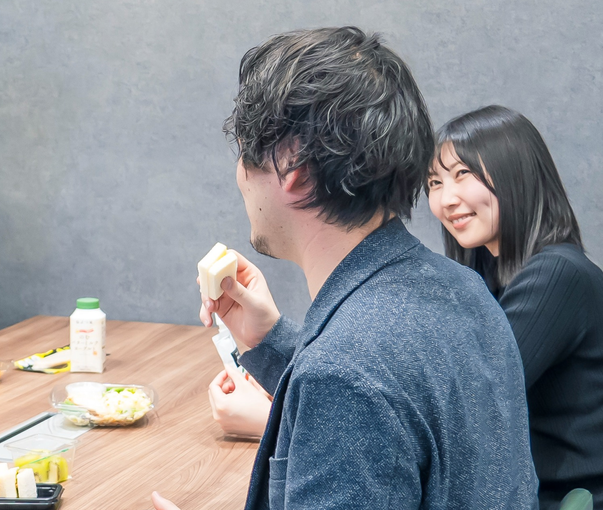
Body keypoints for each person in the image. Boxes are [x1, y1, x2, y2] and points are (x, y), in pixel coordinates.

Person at [152, 27, 537, 509]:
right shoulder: (464, 290)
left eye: (245, 155)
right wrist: (268, 339)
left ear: (294, 171)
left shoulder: (345, 372)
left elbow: (357, 380)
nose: (239, 177)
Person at [426, 105, 603, 509]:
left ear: (515, 173)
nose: (445, 200)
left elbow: (465, 403)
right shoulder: (488, 277)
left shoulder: (557, 275)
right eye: (434, 183)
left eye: (461, 175)